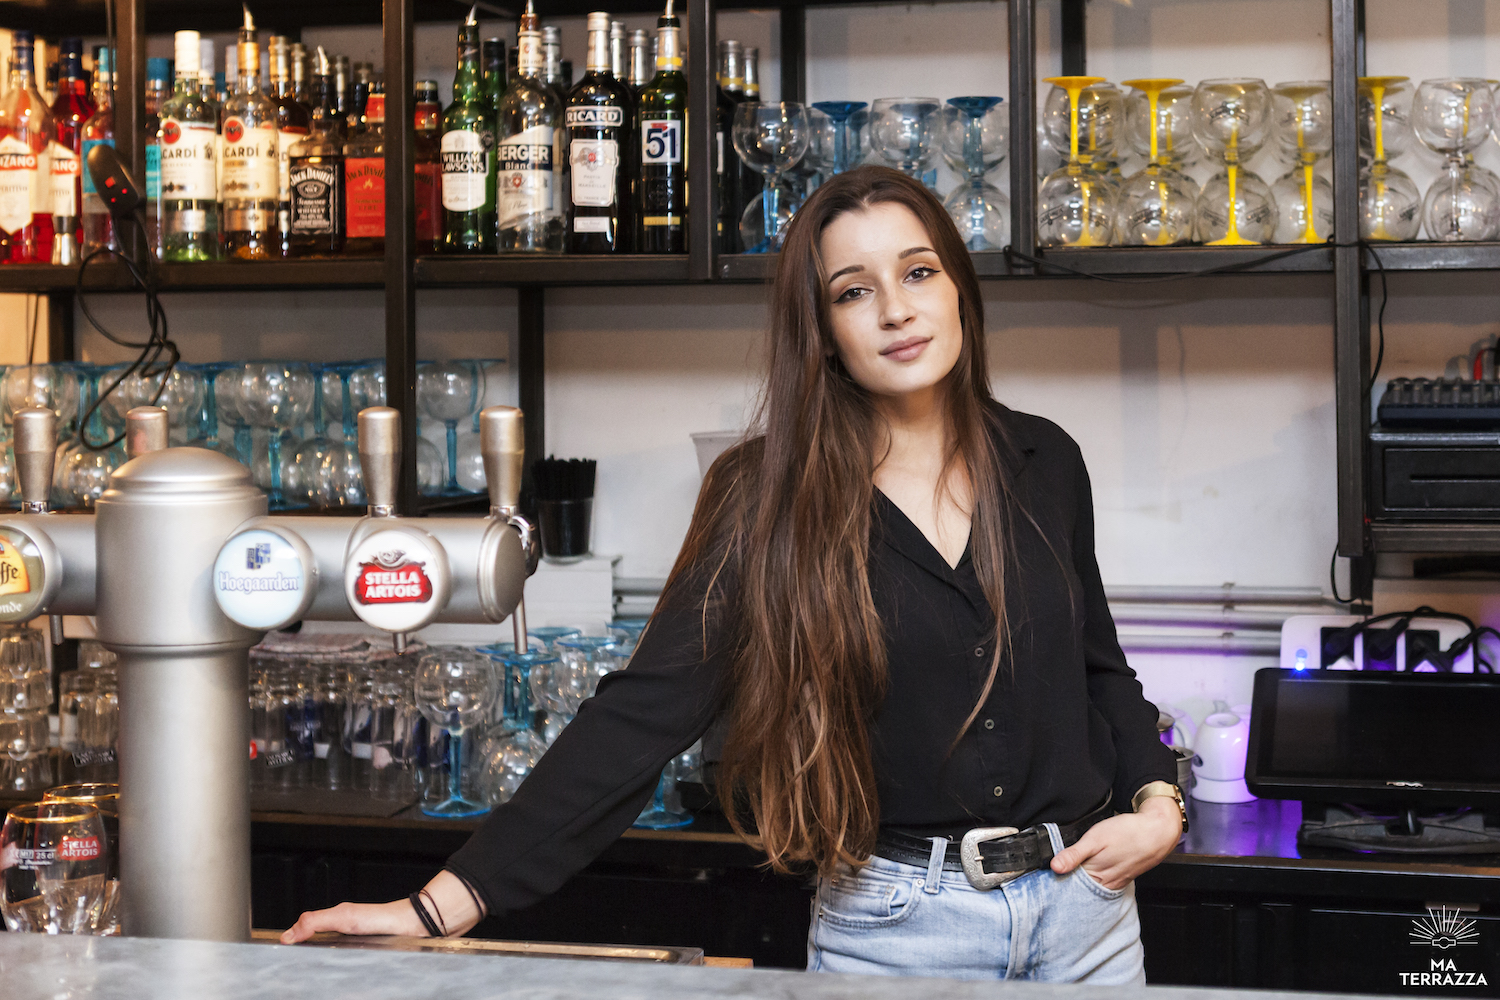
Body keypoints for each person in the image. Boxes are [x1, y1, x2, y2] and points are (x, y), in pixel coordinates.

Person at [282, 165, 1187, 982]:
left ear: (959, 290)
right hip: (900, 934)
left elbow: (1098, 670)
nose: (896, 311)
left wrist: (1158, 804)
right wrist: (439, 905)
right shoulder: (766, 495)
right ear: (824, 332)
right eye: (853, 291)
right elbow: (644, 714)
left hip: (1089, 923)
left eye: (919, 273)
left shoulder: (1046, 460)